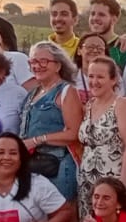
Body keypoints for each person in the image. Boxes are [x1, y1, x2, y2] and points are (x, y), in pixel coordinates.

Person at [18, 42, 83, 203]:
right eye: (33, 62)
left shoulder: (67, 91)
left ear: (58, 65)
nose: (37, 66)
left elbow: (74, 133)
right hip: (33, 165)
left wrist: (36, 141)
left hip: (59, 165)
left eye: (43, 61)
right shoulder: (32, 93)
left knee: (61, 218)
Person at [76, 57, 126, 222]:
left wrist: (122, 187)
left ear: (113, 80)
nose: (94, 81)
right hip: (87, 183)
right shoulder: (89, 105)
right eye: (90, 76)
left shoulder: (122, 104)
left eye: (100, 77)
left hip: (114, 180)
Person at [86, 0, 126, 70]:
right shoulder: (83, 46)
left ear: (114, 19)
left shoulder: (125, 49)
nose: (95, 18)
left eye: (101, 15)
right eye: (92, 14)